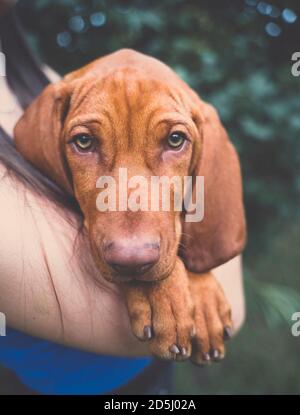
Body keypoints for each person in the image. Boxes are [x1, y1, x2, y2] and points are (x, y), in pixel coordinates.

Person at [0, 3, 245, 395]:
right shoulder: (62, 99)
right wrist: (169, 262)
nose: (132, 247)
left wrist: (196, 265)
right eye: (85, 141)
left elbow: (225, 276)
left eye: (175, 138)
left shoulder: (51, 84)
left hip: (153, 382)